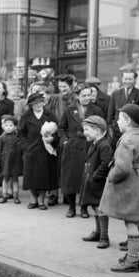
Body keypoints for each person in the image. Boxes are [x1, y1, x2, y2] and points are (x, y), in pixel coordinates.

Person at [99, 104, 139, 273]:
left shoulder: (127, 139)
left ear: (128, 121)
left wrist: (111, 176)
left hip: (130, 184)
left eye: (120, 119)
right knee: (136, 219)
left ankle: (132, 261)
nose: (117, 122)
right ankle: (131, 254)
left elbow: (123, 168)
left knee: (130, 221)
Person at [58, 83, 104, 218]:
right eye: (84, 95)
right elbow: (61, 128)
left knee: (86, 178)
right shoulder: (69, 109)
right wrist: (65, 141)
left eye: (89, 95)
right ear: (77, 96)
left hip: (90, 147)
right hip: (72, 148)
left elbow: (102, 129)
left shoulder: (97, 110)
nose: (87, 98)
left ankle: (84, 207)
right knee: (70, 178)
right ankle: (71, 208)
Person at [18, 92, 58, 210]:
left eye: (40, 102)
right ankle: (33, 199)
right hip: (31, 150)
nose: (38, 105)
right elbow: (20, 134)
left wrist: (52, 140)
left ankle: (41, 200)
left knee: (44, 176)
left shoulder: (49, 114)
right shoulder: (26, 116)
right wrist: (26, 147)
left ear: (43, 102)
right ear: (30, 104)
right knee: (31, 176)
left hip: (46, 150)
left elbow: (57, 131)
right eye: (35, 103)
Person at [79, 116, 113, 249]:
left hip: (97, 182)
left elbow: (105, 165)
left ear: (97, 130)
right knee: (94, 206)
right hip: (92, 181)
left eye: (86, 130)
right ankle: (98, 233)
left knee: (100, 209)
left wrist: (95, 177)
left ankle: (104, 237)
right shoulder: (95, 144)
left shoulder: (104, 145)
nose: (84, 132)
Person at [46, 74, 77, 206]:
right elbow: (47, 113)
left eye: (64, 86)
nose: (62, 89)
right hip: (54, 136)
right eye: (60, 86)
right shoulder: (53, 99)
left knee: (68, 167)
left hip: (70, 136)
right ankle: (53, 194)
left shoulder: (76, 99)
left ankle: (67, 194)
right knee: (53, 166)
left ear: (70, 86)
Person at [107, 69, 139, 148]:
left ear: (135, 80)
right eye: (125, 79)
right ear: (122, 79)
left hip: (132, 132)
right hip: (117, 132)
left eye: (130, 79)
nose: (127, 81)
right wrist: (111, 127)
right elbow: (110, 113)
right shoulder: (115, 94)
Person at [0, 115, 22, 204]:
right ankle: (4, 195)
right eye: (6, 125)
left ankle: (16, 197)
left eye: (11, 125)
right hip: (5, 161)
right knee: (5, 178)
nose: (8, 127)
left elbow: (20, 149)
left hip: (15, 161)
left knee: (15, 179)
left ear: (15, 127)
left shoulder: (17, 137)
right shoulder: (1, 138)